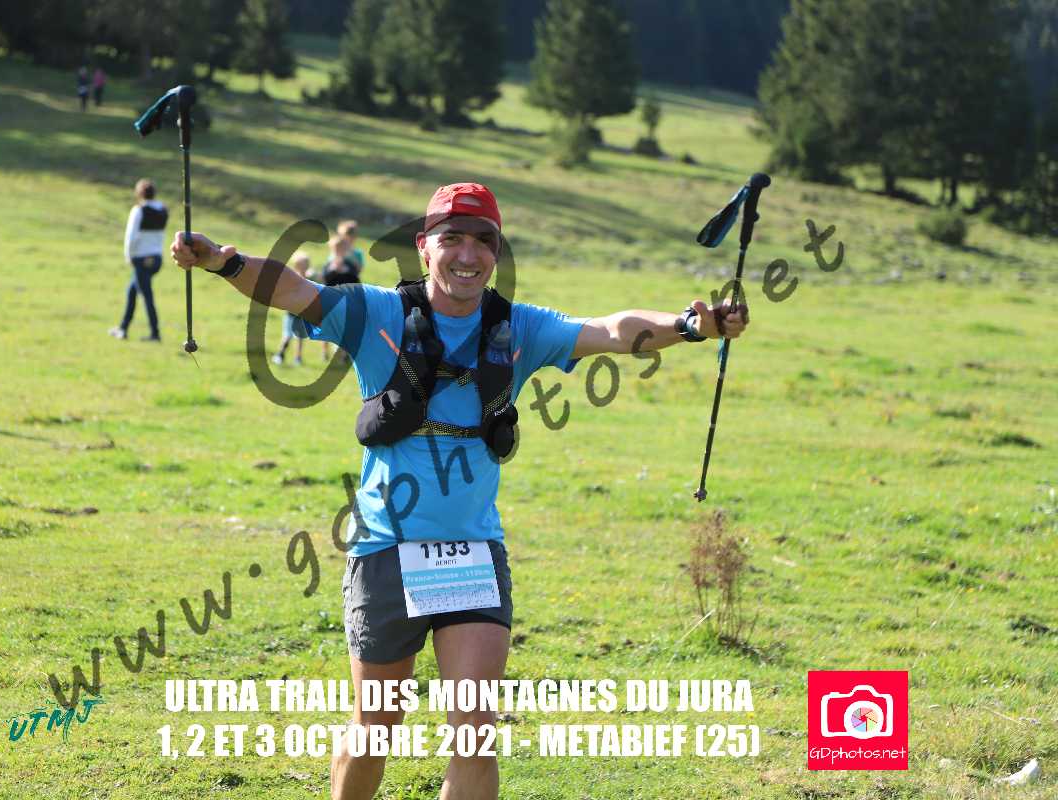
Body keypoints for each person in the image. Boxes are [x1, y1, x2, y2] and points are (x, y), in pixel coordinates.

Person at [170, 182, 750, 800]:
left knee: (475, 734)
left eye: (484, 241)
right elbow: (294, 291)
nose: (468, 255)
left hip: (472, 553)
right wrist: (224, 262)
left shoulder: (519, 327)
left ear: (497, 252)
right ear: (425, 247)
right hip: (385, 550)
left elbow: (609, 330)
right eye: (452, 239)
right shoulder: (378, 314)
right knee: (375, 730)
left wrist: (688, 325)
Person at [110, 179, 168, 342]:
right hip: (157, 258)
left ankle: (155, 333)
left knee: (147, 296)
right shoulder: (163, 210)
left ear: (139, 194)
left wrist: (128, 256)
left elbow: (131, 236)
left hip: (141, 259)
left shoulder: (139, 210)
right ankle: (123, 328)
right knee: (132, 292)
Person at [320, 234, 362, 362]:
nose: (338, 252)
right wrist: (333, 271)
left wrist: (346, 271)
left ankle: (343, 354)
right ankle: (324, 352)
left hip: (346, 301)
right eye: (335, 250)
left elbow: (356, 281)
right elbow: (324, 280)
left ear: (345, 250)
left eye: (341, 249)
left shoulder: (349, 265)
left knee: (344, 327)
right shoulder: (329, 265)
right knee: (327, 326)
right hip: (331, 301)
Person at [273, 250, 314, 365]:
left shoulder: (310, 279)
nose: (303, 269)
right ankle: (280, 354)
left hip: (304, 313)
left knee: (300, 337)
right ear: (296, 266)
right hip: (291, 313)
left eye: (305, 266)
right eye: (301, 266)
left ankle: (298, 358)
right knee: (287, 335)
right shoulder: (291, 278)